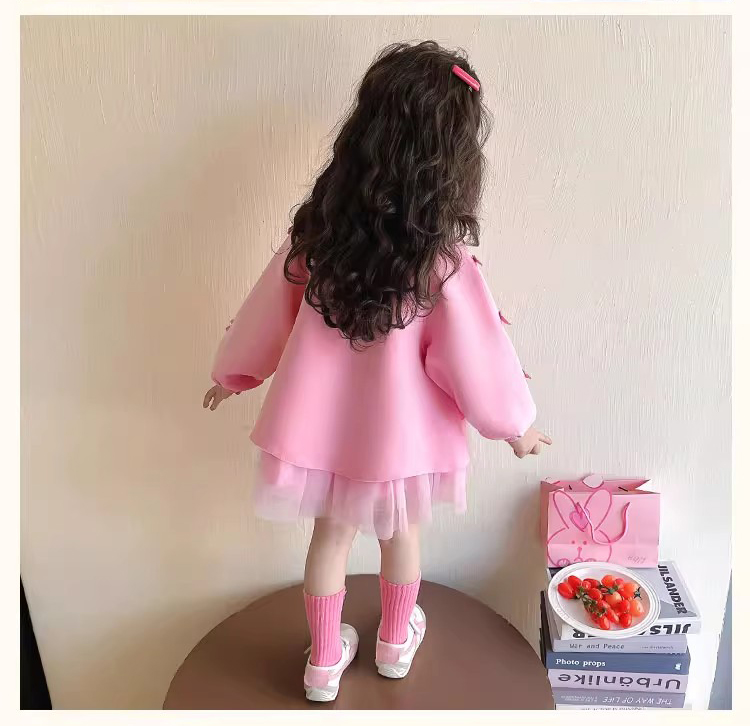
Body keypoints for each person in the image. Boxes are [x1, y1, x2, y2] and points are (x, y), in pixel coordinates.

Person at [203, 41, 551, 702]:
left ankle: (323, 661)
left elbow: (263, 319)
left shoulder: (317, 241)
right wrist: (516, 427)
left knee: (329, 539)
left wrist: (233, 374)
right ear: (450, 159)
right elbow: (476, 358)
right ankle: (394, 643)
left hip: (323, 435)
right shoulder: (441, 263)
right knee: (402, 533)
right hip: (401, 440)